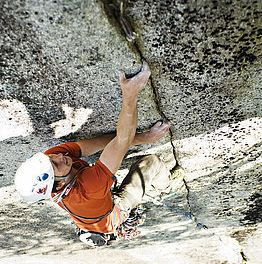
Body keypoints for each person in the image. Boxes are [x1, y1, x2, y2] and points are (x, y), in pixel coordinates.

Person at [14, 62, 173, 246]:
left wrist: (143, 137)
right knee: (151, 162)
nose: (59, 156)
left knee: (94, 204)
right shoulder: (89, 187)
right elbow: (121, 141)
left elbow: (102, 142)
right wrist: (130, 95)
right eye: (56, 165)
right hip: (111, 214)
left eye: (50, 158)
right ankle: (167, 186)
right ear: (59, 184)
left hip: (88, 212)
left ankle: (88, 228)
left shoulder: (50, 161)